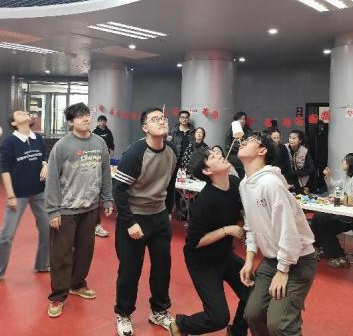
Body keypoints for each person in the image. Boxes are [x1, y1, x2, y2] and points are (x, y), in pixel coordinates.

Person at [237, 132, 317, 336]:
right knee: (253, 314)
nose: (243, 142)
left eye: (250, 141)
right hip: (273, 259)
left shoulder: (271, 183)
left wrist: (282, 271)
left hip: (298, 259)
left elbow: (288, 231)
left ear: (262, 151)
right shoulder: (244, 184)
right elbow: (251, 225)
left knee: (279, 325)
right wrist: (249, 259)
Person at [113, 107, 178, 336]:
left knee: (162, 268)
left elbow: (170, 184)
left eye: (163, 118)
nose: (161, 121)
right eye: (155, 119)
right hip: (134, 217)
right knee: (130, 271)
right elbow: (119, 189)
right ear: (144, 128)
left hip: (159, 217)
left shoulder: (172, 150)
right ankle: (123, 314)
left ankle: (159, 311)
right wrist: (130, 222)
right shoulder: (135, 153)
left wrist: (167, 212)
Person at [169, 148, 248, 336]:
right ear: (207, 171)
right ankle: (181, 324)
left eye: (216, 152)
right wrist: (227, 230)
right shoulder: (205, 201)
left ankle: (237, 332)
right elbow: (194, 242)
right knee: (218, 318)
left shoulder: (235, 183)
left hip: (224, 255)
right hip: (203, 262)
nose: (219, 155)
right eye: (212, 156)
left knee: (255, 295)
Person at [45, 102, 113, 318]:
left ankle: (77, 284)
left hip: (90, 208)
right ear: (70, 122)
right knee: (61, 255)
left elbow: (105, 172)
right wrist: (53, 210)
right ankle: (58, 295)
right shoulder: (62, 146)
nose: (86, 118)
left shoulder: (99, 142)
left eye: (87, 114)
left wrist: (107, 199)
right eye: (80, 116)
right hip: (65, 209)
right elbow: (52, 179)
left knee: (85, 250)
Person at [0, 110, 50, 289]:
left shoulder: (38, 139)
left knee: (48, 229)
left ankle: (44, 263)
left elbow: (43, 159)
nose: (24, 113)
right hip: (18, 194)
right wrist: (11, 195)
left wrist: (45, 165)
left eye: (25, 112)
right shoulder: (9, 142)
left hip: (39, 192)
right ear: (13, 123)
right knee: (7, 234)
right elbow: (5, 171)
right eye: (19, 113)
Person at [310, 153, 353, 269]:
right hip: (343, 214)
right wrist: (328, 176)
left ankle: (334, 254)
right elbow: (334, 186)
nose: (342, 162)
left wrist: (337, 198)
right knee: (318, 218)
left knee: (322, 221)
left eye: (344, 160)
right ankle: (325, 249)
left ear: (351, 163)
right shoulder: (347, 177)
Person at [92, 114, 115, 238]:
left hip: (104, 159)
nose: (102, 123)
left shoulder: (108, 132)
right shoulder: (94, 133)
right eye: (101, 121)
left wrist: (111, 150)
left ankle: (96, 225)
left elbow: (111, 143)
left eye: (104, 121)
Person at [225, 111, 253, 178]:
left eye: (244, 119)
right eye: (240, 119)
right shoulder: (230, 131)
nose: (242, 121)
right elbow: (227, 146)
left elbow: (251, 145)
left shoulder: (249, 131)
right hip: (233, 161)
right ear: (235, 121)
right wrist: (239, 146)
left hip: (245, 162)